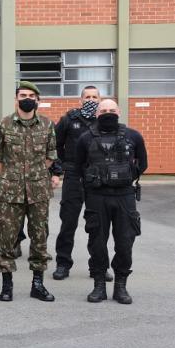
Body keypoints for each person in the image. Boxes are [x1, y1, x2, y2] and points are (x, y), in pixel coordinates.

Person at [0, 81, 60, 302]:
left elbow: (50, 156)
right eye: (23, 95)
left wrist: (34, 174)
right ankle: (7, 285)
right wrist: (11, 175)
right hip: (10, 192)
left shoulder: (47, 125)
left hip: (38, 191)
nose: (27, 98)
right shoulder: (4, 124)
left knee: (40, 239)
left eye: (31, 95)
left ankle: (37, 285)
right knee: (6, 239)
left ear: (37, 100)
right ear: (16, 99)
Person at [74, 99, 147, 304]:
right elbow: (79, 165)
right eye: (104, 110)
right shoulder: (85, 138)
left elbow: (143, 162)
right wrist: (96, 180)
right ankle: (99, 285)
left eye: (111, 110)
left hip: (125, 196)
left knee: (125, 242)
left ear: (119, 112)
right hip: (97, 197)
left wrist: (123, 177)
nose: (108, 113)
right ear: (97, 114)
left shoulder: (133, 136)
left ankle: (121, 285)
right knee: (97, 242)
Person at [53, 86, 107, 281]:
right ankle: (63, 264)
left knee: (97, 225)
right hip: (74, 176)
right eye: (87, 97)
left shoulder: (104, 120)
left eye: (95, 96)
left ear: (100, 99)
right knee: (68, 222)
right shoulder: (69, 119)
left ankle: (98, 266)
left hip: (97, 179)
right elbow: (55, 144)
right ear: (80, 100)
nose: (91, 100)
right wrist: (60, 168)